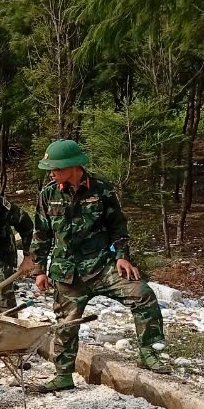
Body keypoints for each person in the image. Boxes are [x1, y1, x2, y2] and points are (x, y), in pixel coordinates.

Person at [33, 139, 168, 390]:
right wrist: (39, 270)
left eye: (56, 168)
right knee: (65, 324)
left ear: (74, 166)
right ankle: (63, 374)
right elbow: (41, 235)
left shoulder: (102, 190)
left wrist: (122, 256)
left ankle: (149, 352)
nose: (51, 173)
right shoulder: (47, 194)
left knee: (143, 295)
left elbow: (118, 227)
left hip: (101, 267)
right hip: (67, 272)